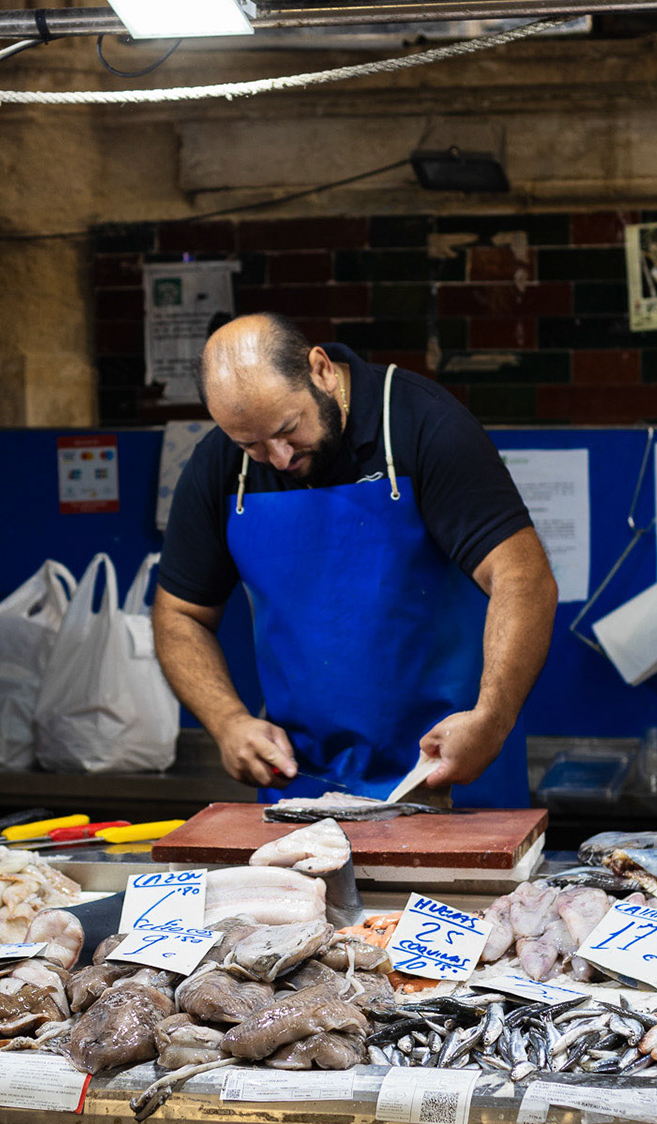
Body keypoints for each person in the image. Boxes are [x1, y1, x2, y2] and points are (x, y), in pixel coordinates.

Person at [152, 312, 558, 807]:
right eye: (251, 445)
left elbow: (522, 576)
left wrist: (492, 718)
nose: (278, 458)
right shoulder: (219, 464)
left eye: (288, 429)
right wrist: (227, 720)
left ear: (320, 370)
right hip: (304, 789)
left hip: (450, 770)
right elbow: (180, 614)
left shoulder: (421, 423)